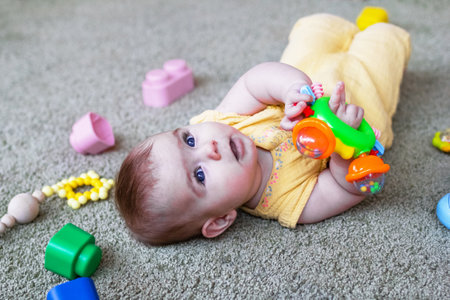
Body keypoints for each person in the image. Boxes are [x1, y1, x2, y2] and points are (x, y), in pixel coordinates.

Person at [115, 14, 411, 245]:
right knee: (382, 48)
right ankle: (376, 37)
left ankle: (334, 29)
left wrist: (291, 88)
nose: (210, 148)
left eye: (189, 140)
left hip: (304, 77)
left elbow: (254, 82)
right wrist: (343, 147)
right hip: (357, 106)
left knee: (313, 31)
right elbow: (347, 189)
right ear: (220, 220)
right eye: (200, 175)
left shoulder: (224, 122)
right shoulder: (285, 203)